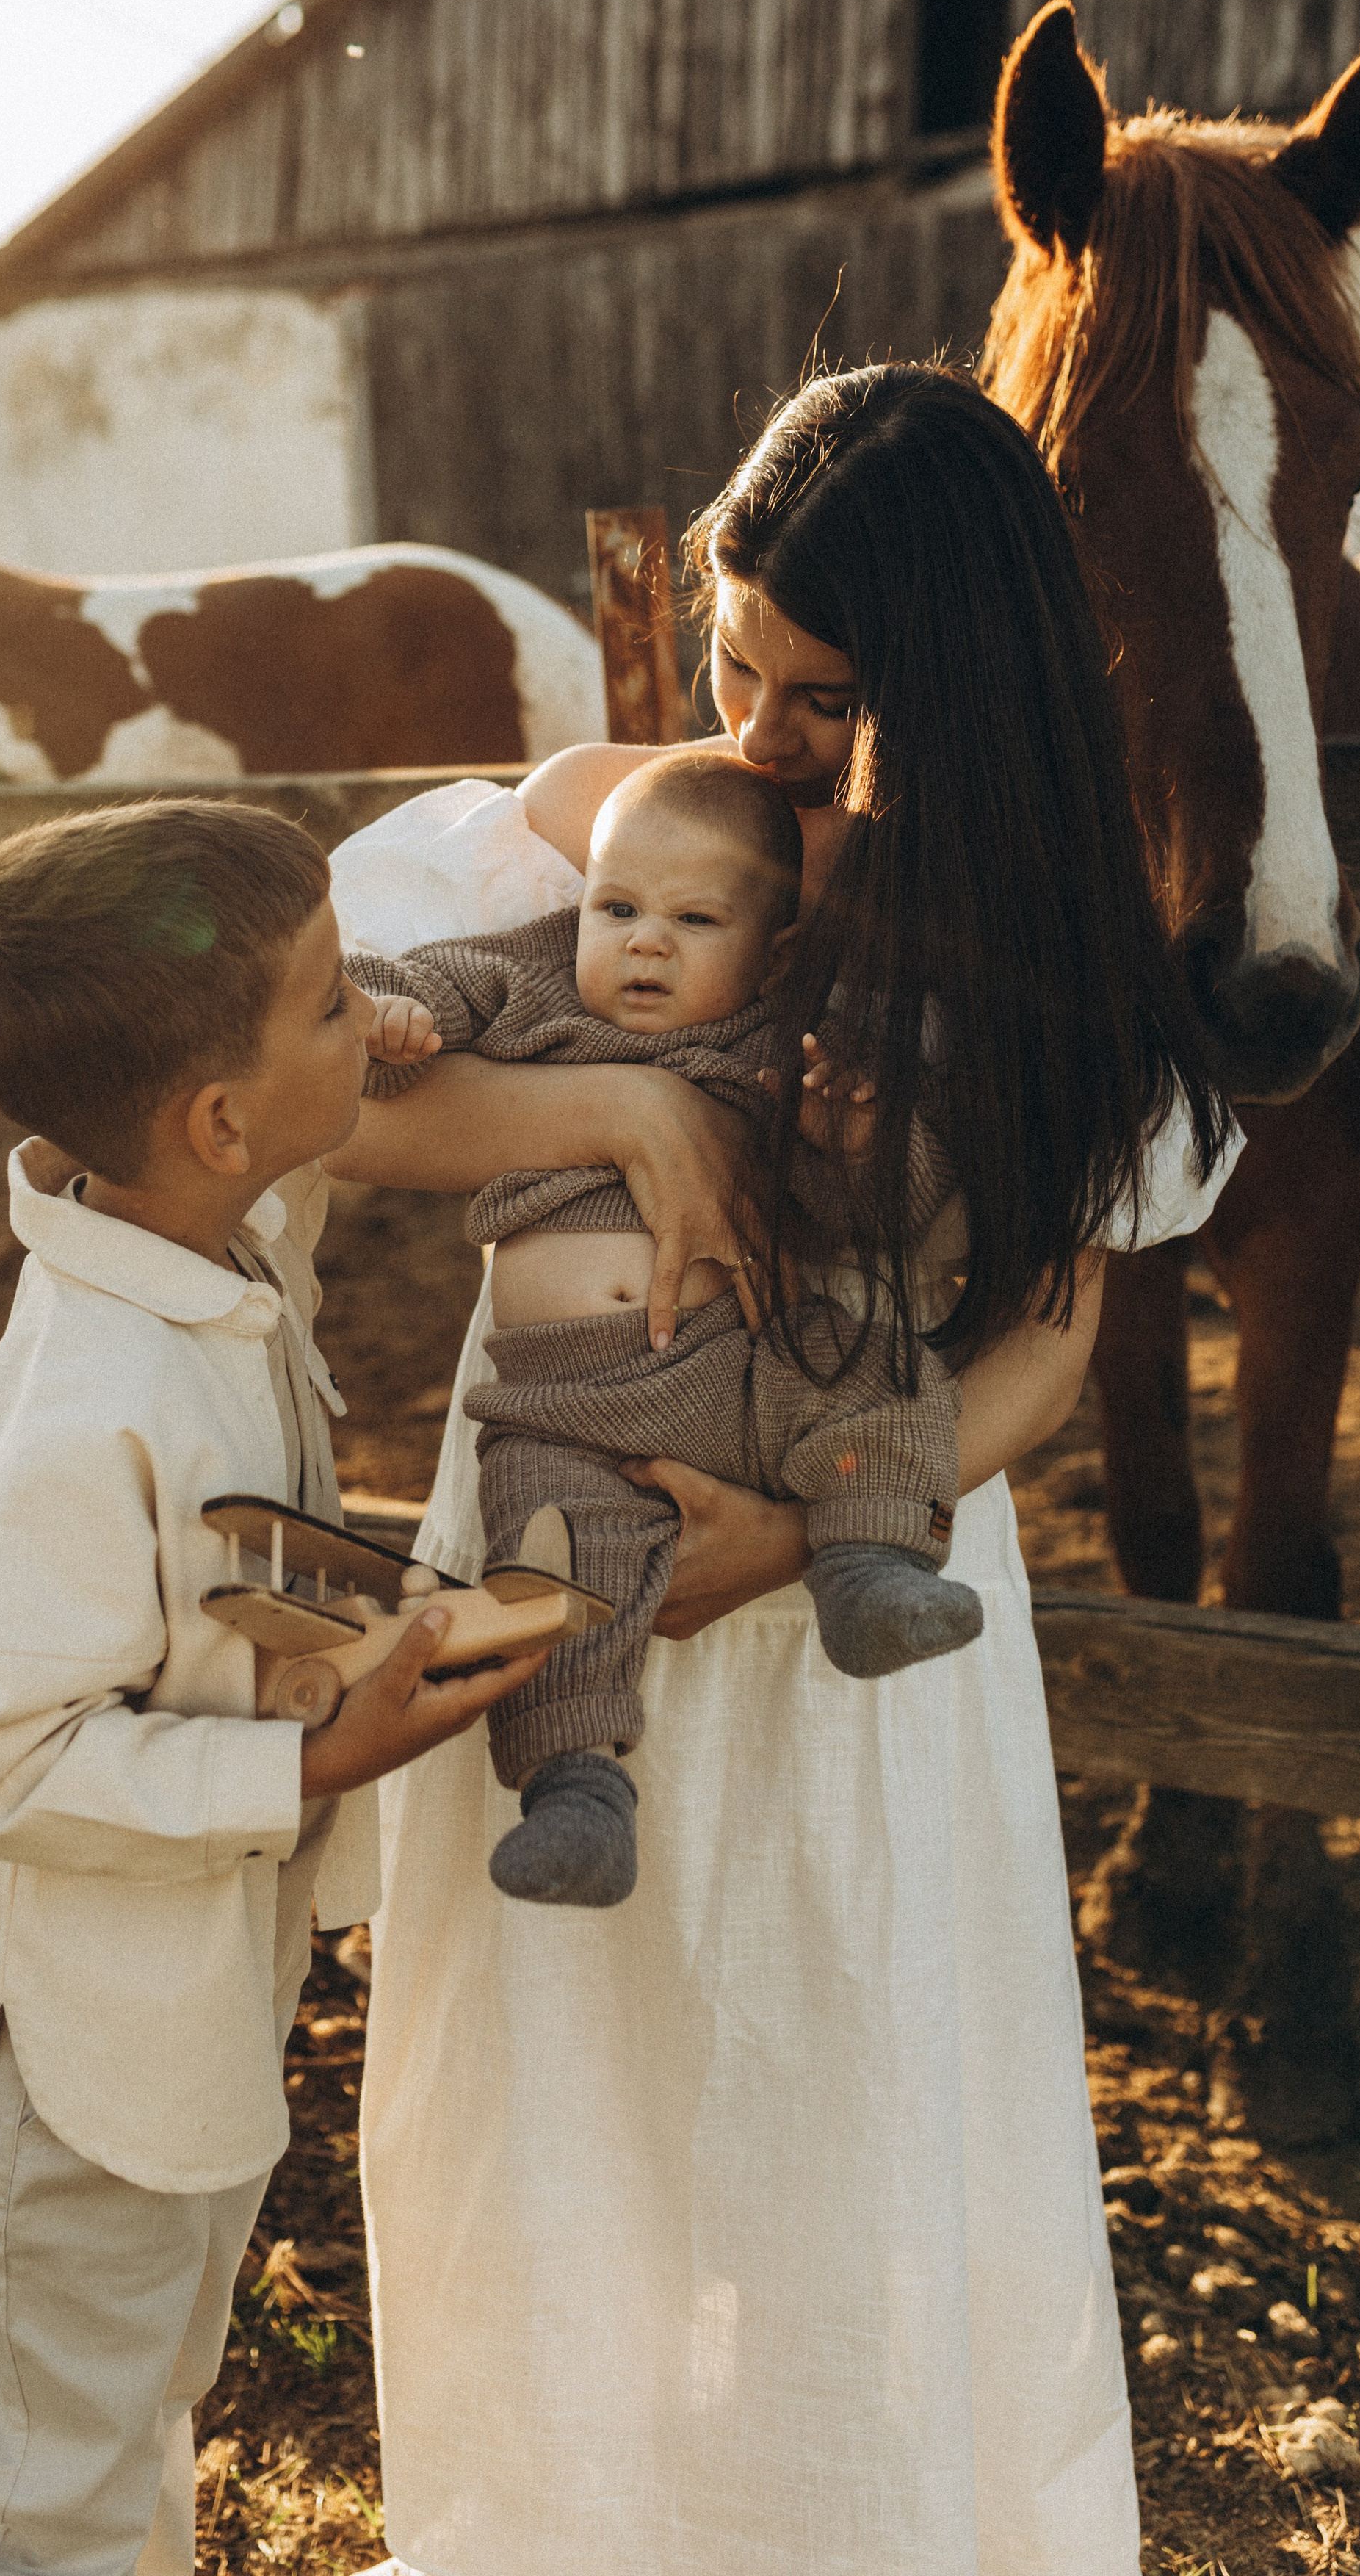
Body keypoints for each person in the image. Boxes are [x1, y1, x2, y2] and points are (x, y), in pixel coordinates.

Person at [326, 364, 1234, 2575]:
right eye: (735, 654)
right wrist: (634, 1112)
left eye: (819, 694)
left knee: (839, 2085)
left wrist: (817, 1532)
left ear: (955, 682)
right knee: (559, 2095)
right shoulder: (602, 831)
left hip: (846, 1575)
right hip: (564, 1535)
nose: (753, 728)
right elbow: (359, 1104)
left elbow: (1056, 1331)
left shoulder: (1027, 936)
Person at [0, 799, 537, 2576]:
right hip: (60, 2083)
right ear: (220, 1119)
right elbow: (0, 1761)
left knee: (137, 2415)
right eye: (329, 1003)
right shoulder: (88, 1403)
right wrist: (310, 1765)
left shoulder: (198, 1244)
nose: (368, 1015)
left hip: (170, 2039)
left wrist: (346, 1018)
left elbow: (274, 1187)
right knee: (48, 2505)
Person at [348, 746, 979, 1910]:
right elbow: (429, 993)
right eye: (617, 906)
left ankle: (870, 1564)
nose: (644, 941)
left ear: (774, 951)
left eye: (693, 920)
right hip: (562, 1406)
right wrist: (388, 1014)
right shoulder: (536, 981)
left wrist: (855, 1141)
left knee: (874, 1373)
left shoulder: (791, 1044)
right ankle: (577, 1794)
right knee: (549, 1569)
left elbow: (891, 1224)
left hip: (742, 1367)